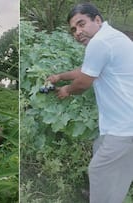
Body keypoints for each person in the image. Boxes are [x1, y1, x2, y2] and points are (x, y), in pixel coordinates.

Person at [46, 2, 133, 203]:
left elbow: (83, 82)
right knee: (107, 158)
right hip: (120, 122)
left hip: (124, 125)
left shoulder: (100, 42)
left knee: (98, 170)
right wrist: (59, 76)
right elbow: (85, 70)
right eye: (74, 29)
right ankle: (104, 196)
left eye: (81, 24)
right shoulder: (111, 37)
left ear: (97, 20)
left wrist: (66, 90)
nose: (78, 32)